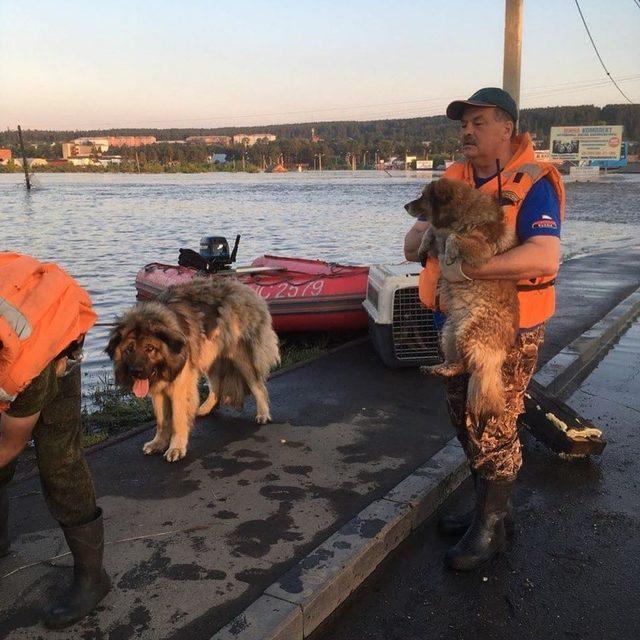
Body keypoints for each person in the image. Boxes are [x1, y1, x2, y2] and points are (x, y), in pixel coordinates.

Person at [404, 88, 564, 570]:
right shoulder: (451, 180)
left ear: (506, 129)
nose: (466, 132)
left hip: (510, 326)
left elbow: (542, 255)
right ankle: (487, 509)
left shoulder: (535, 180)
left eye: (478, 123)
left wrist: (470, 270)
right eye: (462, 124)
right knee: (464, 419)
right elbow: (413, 248)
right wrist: (423, 231)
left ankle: (493, 527)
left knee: (493, 422)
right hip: (452, 318)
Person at [0, 252, 110, 629]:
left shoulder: (18, 371)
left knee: (58, 459)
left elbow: (9, 445)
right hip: (26, 300)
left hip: (53, 338)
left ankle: (93, 579)